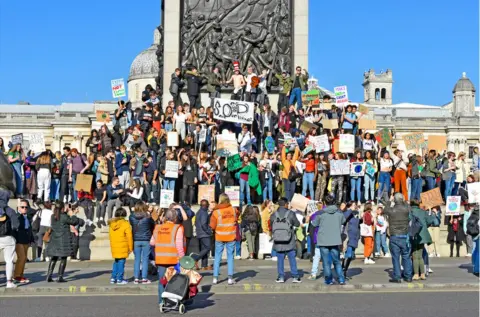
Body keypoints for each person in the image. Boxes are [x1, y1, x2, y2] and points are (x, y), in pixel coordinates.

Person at [151, 208, 185, 307]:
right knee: (175, 281)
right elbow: (179, 245)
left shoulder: (157, 228)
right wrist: (182, 258)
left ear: (165, 217)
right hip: (173, 259)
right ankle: (174, 301)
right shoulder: (177, 228)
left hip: (161, 259)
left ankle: (161, 302)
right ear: (175, 218)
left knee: (162, 281)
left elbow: (152, 242)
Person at [310, 194, 346, 284]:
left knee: (326, 262)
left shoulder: (321, 213)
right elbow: (344, 221)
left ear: (325, 203)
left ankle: (329, 280)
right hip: (335, 240)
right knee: (337, 261)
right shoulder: (339, 213)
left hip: (323, 241)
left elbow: (314, 224)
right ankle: (341, 279)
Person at [46, 202, 80, 283]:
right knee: (63, 258)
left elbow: (61, 217)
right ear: (62, 208)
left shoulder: (53, 216)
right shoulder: (64, 216)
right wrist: (73, 214)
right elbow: (74, 221)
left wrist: (66, 212)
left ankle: (49, 276)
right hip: (63, 240)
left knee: (54, 258)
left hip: (54, 240)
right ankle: (60, 276)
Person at [382, 193, 413, 283]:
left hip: (394, 236)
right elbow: (409, 207)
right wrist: (404, 201)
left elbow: (385, 210)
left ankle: (397, 276)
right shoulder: (406, 209)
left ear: (395, 200)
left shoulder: (392, 210)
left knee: (395, 258)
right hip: (404, 235)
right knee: (406, 256)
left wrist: (389, 201)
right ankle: (408, 276)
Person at [270, 197, 301, 283]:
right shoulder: (290, 213)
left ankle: (281, 277)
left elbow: (271, 226)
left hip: (278, 241)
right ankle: (295, 276)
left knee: (280, 259)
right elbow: (297, 224)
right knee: (292, 258)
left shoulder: (273, 214)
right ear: (286, 204)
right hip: (289, 240)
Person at [210, 194, 238, 285]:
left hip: (219, 236)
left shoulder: (216, 212)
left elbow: (212, 226)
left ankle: (215, 278)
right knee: (230, 257)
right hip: (230, 236)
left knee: (218, 257)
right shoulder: (233, 210)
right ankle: (230, 278)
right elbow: (236, 220)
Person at [410, 200, 436, 280]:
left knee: (415, 255)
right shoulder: (423, 212)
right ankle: (422, 274)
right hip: (422, 236)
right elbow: (430, 221)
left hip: (413, 235)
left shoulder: (410, 211)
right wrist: (434, 213)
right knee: (420, 256)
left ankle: (416, 274)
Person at [0, 189, 20, 288]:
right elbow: (16, 225)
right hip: (8, 238)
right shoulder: (9, 210)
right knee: (9, 260)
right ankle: (9, 282)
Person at [13, 199, 35, 284]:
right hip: (18, 240)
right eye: (22, 207)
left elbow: (29, 229)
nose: (24, 208)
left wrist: (31, 239)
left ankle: (20, 275)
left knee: (24, 258)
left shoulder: (28, 216)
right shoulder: (16, 216)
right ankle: (17, 276)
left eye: (26, 207)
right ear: (18, 207)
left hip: (26, 239)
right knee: (21, 257)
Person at [193, 200, 213, 270]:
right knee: (208, 248)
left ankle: (204, 265)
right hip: (204, 234)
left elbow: (195, 223)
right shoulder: (204, 213)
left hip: (199, 233)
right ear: (206, 205)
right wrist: (209, 231)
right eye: (208, 205)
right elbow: (204, 224)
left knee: (204, 249)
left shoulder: (198, 212)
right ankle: (195, 258)